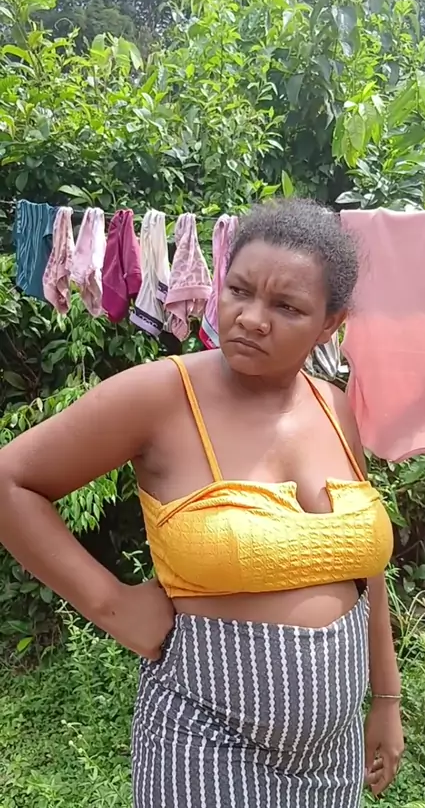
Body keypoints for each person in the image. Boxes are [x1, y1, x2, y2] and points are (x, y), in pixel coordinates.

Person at [0, 198, 404, 807]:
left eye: (287, 307)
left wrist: (387, 698)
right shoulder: (162, 395)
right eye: (239, 291)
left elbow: (362, 569)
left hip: (331, 756)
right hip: (204, 742)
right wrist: (112, 605)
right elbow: (11, 481)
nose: (252, 319)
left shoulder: (333, 406)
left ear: (330, 324)